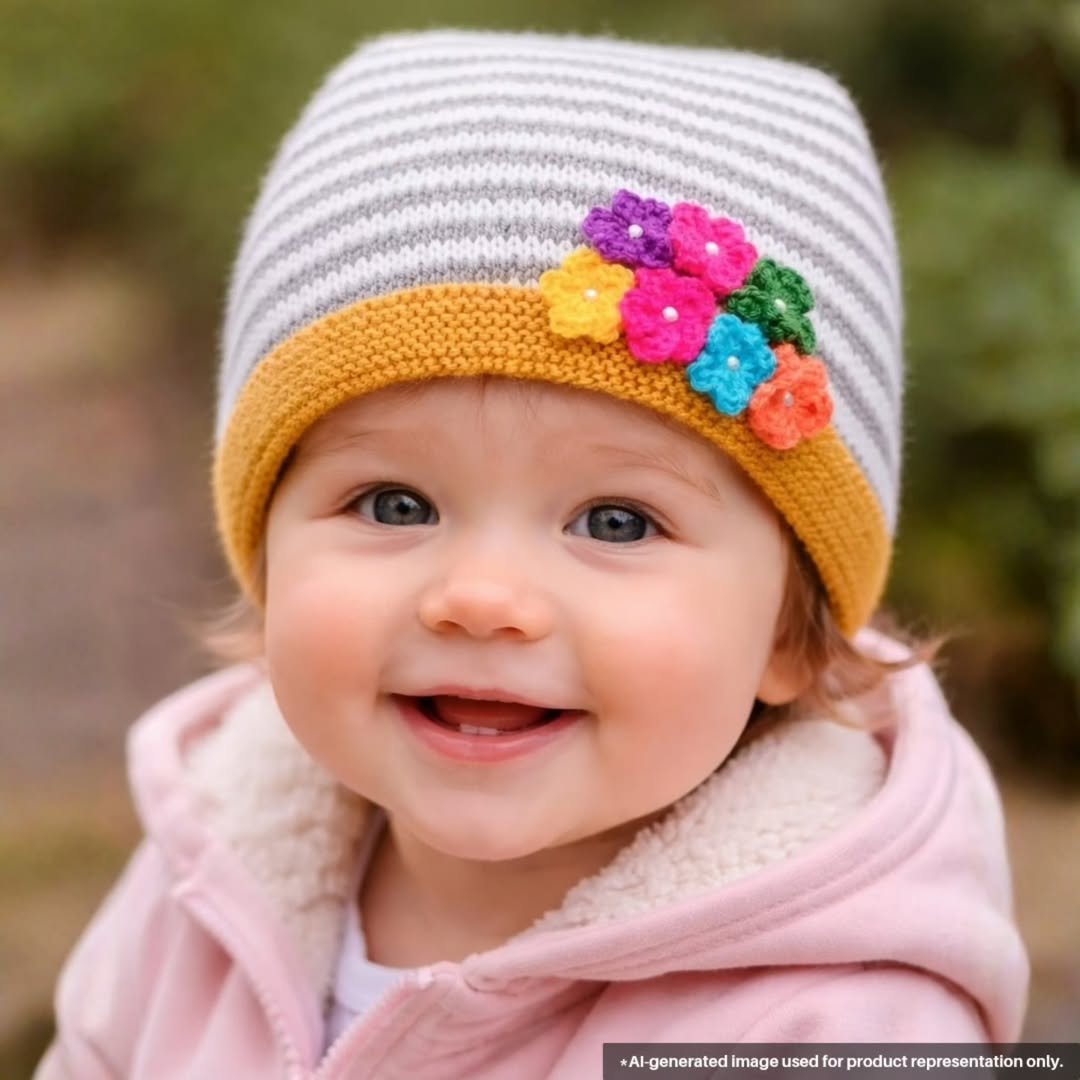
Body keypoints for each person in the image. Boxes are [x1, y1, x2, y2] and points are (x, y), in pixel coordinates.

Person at [36, 28, 1029, 1080]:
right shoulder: (208, 869)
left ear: (792, 630)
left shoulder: (835, 1026)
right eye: (394, 501)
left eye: (616, 522)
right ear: (267, 553)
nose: (481, 599)